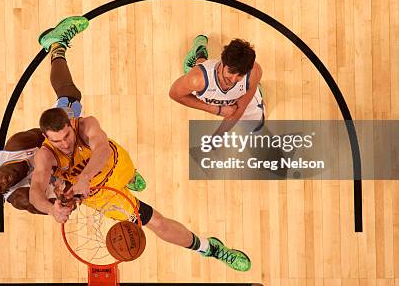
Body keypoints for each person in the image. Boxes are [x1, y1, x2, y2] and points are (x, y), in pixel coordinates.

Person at [0, 16, 145, 212]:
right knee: (95, 171)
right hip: (71, 181)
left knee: (70, 97)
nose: (3, 180)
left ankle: (56, 43)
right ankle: (121, 176)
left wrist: (62, 141)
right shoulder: (20, 198)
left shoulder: (16, 145)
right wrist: (63, 204)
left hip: (64, 151)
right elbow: (48, 205)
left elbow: (46, 129)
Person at [29, 107, 252, 271]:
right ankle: (210, 248)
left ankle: (131, 178)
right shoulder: (46, 155)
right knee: (157, 223)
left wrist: (85, 176)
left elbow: (103, 150)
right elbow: (36, 190)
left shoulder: (86, 125)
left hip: (117, 166)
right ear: (47, 139)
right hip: (104, 197)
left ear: (70, 123)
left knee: (130, 175)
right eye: (57, 141)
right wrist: (51, 210)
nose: (65, 144)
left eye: (67, 135)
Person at [169, 36, 265, 134]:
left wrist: (217, 136)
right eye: (231, 72)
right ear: (222, 62)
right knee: (195, 80)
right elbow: (174, 94)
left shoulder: (254, 73)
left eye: (240, 75)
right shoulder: (197, 79)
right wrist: (217, 110)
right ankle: (199, 55)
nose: (233, 79)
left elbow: (239, 109)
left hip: (241, 95)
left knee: (255, 126)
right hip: (204, 82)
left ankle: (256, 89)